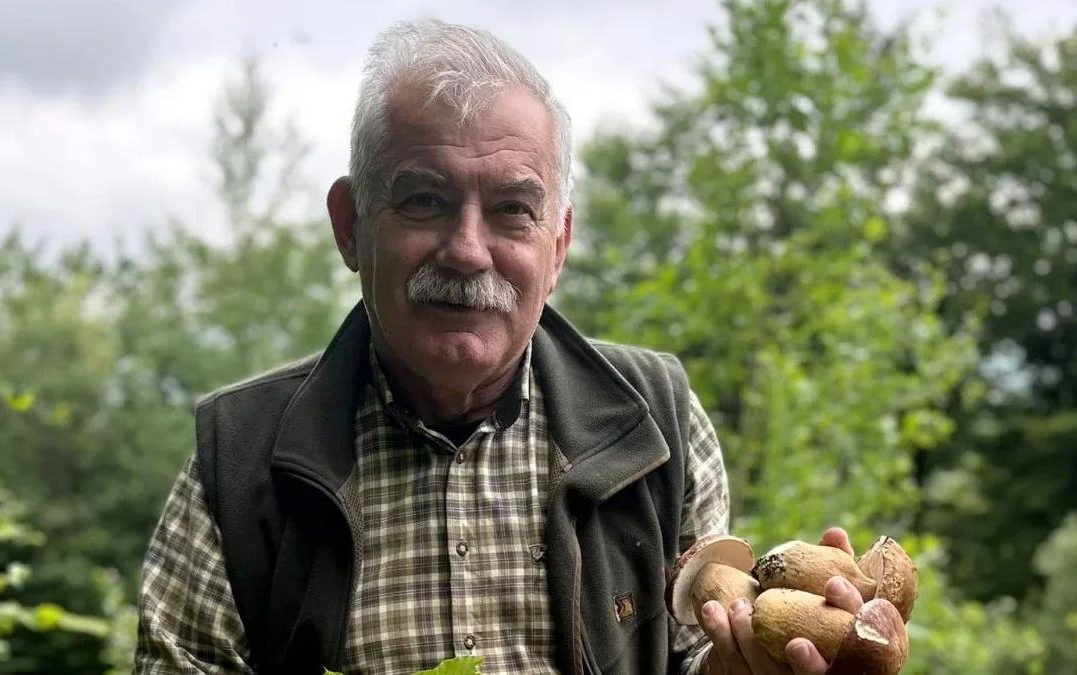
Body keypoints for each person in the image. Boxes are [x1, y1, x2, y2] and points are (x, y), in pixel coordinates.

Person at [132, 17, 865, 675]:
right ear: (350, 225)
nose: (468, 251)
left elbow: (698, 650)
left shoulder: (657, 422)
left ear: (559, 246)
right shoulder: (239, 454)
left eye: (513, 209)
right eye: (424, 199)